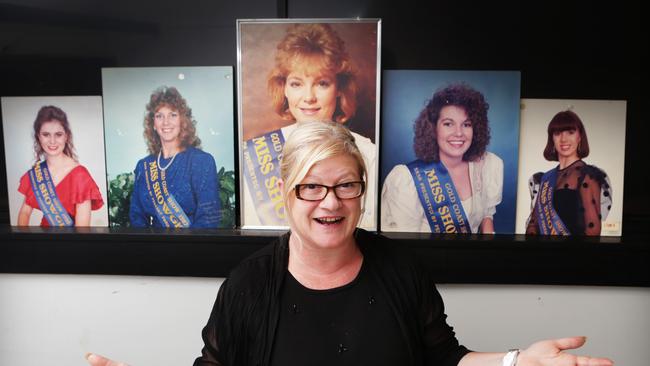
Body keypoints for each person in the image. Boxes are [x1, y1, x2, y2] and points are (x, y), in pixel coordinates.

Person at [86, 121, 613, 366]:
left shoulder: (401, 269)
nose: (330, 203)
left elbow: (447, 360)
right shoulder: (248, 284)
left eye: (345, 185)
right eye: (312, 186)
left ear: (361, 193)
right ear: (287, 194)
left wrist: (518, 363)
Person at [242, 23, 377, 229]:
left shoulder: (368, 153)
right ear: (284, 88)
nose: (308, 98)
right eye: (296, 84)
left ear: (339, 88)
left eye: (322, 83)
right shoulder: (252, 155)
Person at [381, 83, 503, 234]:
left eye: (466, 124)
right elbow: (403, 247)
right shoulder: (407, 179)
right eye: (448, 124)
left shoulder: (487, 166)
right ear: (433, 128)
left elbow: (486, 217)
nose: (459, 133)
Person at [129, 86, 221, 228]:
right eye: (159, 116)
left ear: (182, 121)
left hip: (191, 247)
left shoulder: (201, 161)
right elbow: (137, 217)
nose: (166, 122)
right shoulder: (144, 166)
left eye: (173, 115)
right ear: (153, 123)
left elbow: (208, 219)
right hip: (153, 247)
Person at [525, 110, 611, 236]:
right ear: (552, 138)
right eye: (558, 133)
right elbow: (533, 224)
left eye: (570, 132)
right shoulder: (544, 178)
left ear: (579, 137)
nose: (563, 139)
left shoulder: (587, 176)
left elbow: (592, 232)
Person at [17, 105, 104, 227]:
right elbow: (24, 213)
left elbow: (82, 231)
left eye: (58, 134)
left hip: (68, 243)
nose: (52, 141)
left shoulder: (80, 175)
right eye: (46, 134)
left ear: (66, 136)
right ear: (38, 136)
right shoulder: (37, 173)